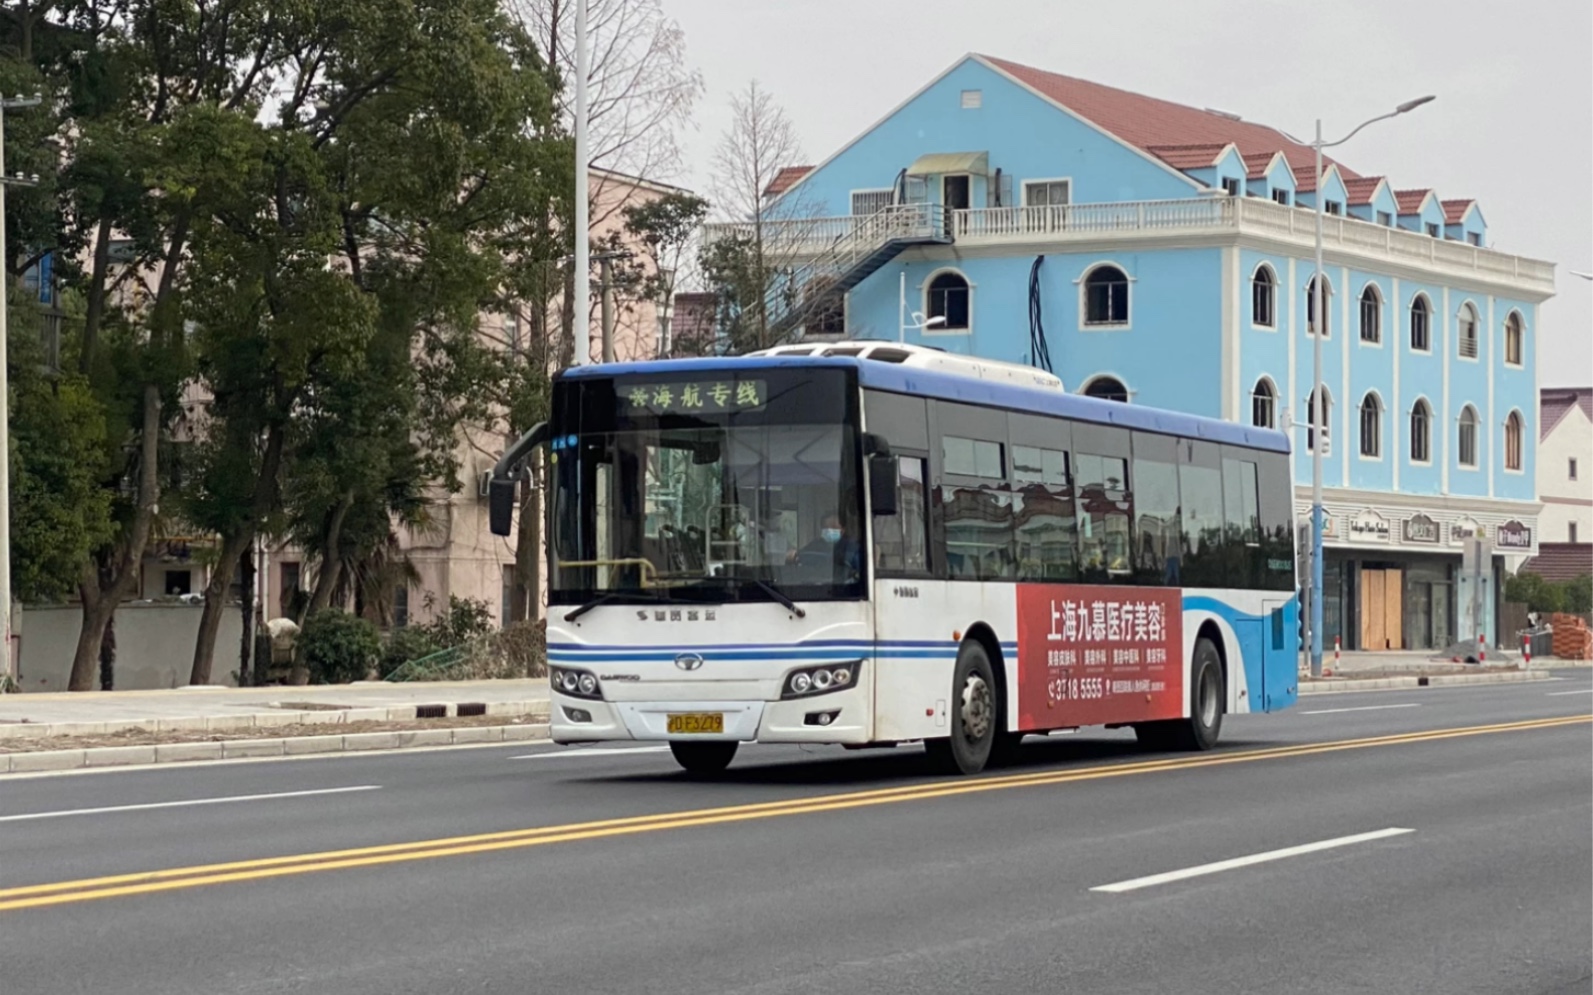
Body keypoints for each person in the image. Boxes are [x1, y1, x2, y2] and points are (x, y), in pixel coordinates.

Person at [788, 512, 862, 581]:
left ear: (843, 529)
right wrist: (795, 556)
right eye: (826, 527)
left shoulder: (851, 547)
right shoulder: (815, 545)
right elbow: (801, 556)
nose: (830, 530)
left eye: (834, 527)